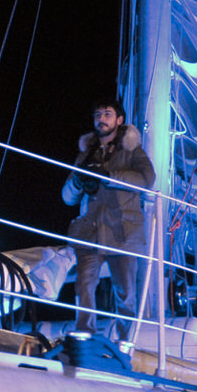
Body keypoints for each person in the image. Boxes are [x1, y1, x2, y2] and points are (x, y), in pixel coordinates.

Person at [61, 100, 156, 337]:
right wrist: (77, 182)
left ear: (119, 120)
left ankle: (125, 340)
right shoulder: (85, 154)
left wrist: (109, 175)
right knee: (83, 283)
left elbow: (147, 179)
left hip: (122, 232)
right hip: (89, 232)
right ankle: (85, 334)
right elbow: (67, 197)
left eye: (107, 114)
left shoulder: (132, 150)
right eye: (97, 114)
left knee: (125, 294)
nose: (101, 119)